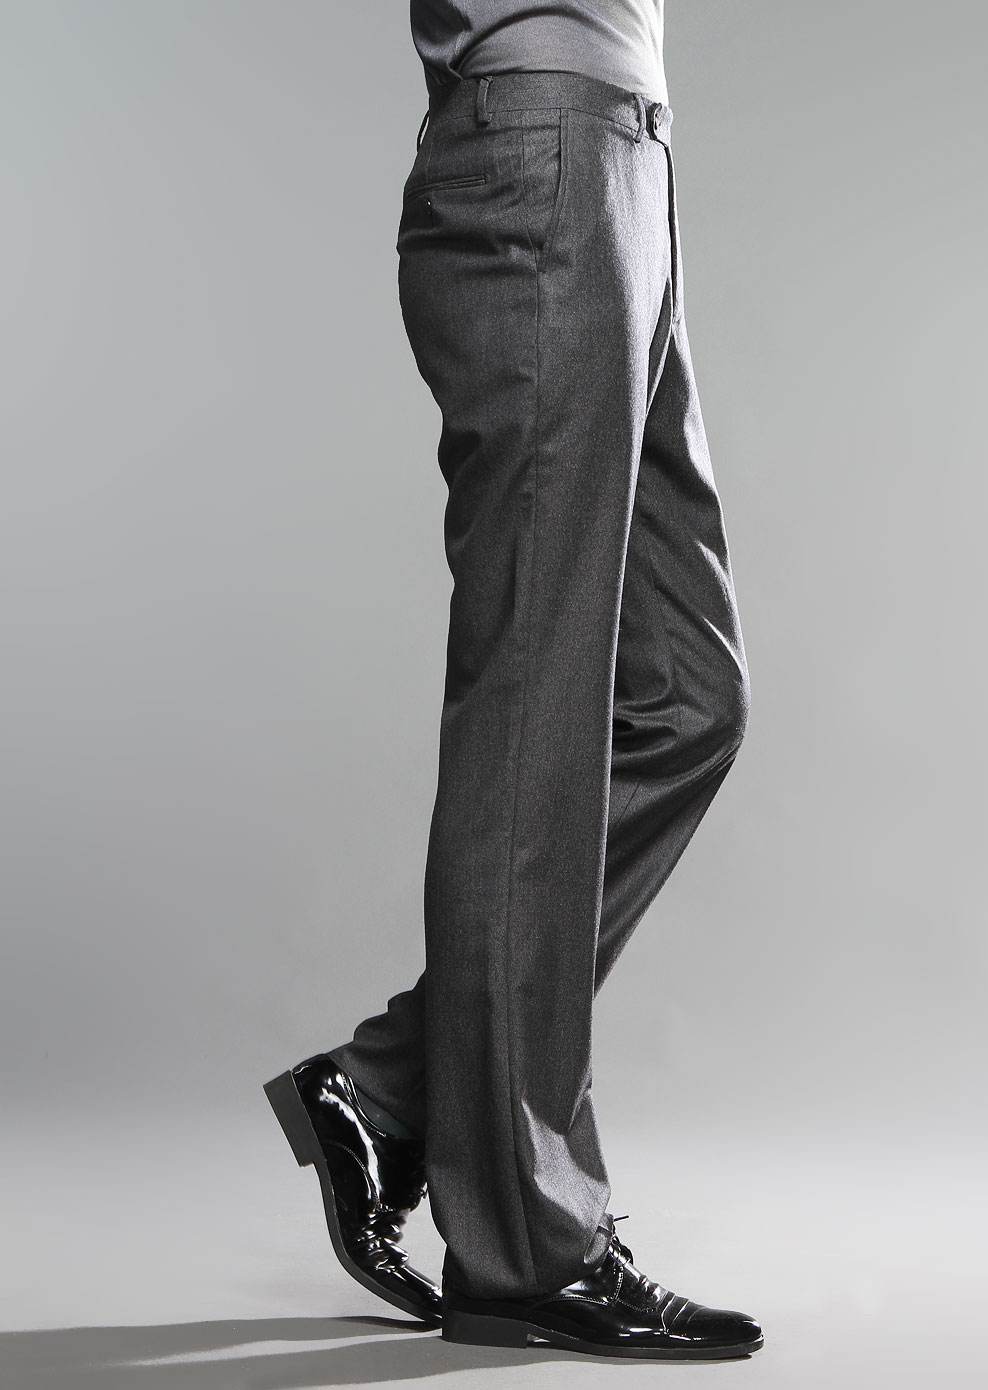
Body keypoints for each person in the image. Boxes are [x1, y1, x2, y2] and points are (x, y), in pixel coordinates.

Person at [264, 0, 762, 1361]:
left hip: (623, 164)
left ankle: (386, 1090)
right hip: (543, 148)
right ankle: (528, 1246)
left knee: (686, 698)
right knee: (538, 704)